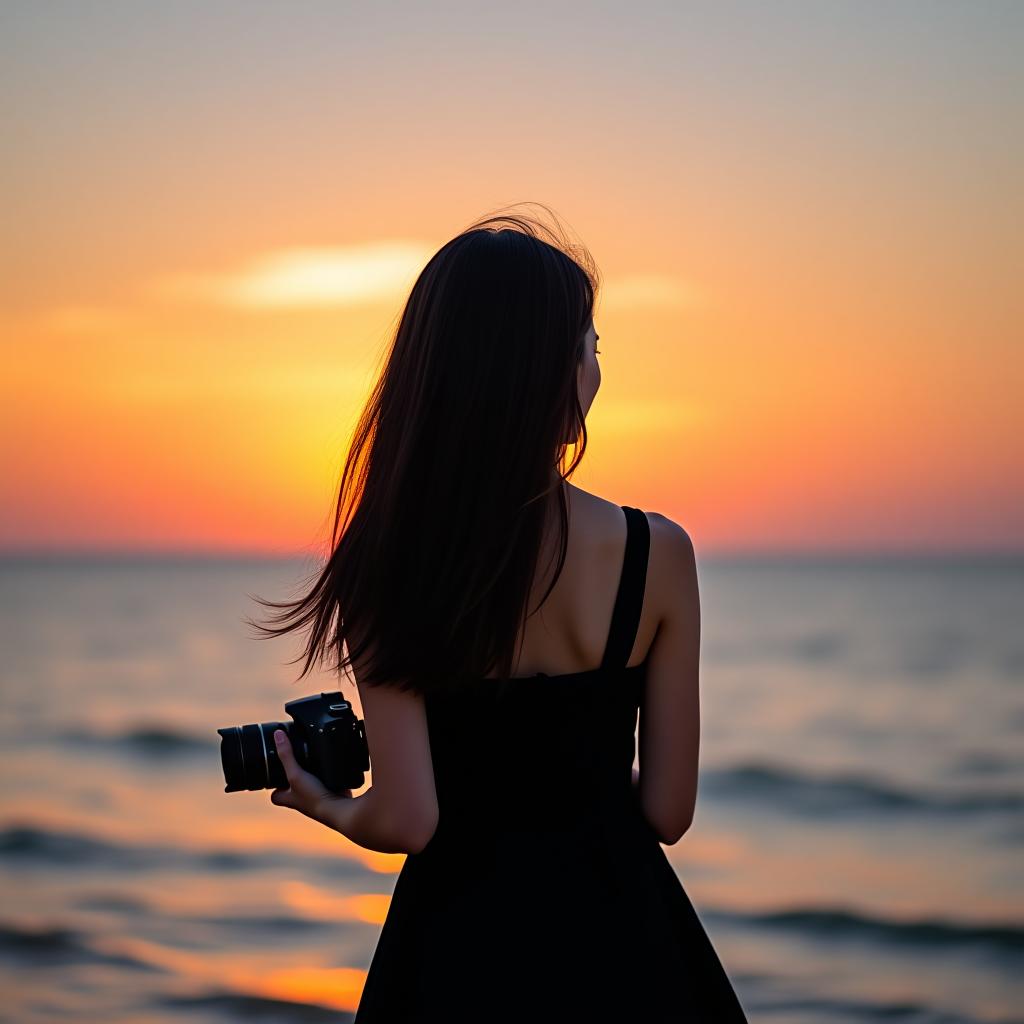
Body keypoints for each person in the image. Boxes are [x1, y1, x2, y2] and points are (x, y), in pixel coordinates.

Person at [248, 202, 749, 1022]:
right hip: (627, 946)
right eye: (590, 345)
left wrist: (324, 802)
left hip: (457, 953)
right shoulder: (659, 553)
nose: (596, 367)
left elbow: (409, 818)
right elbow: (665, 810)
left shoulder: (391, 561)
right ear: (550, 371)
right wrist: (572, 767)